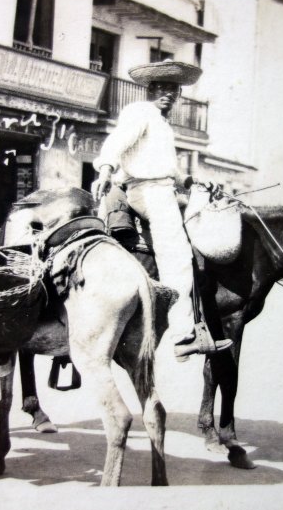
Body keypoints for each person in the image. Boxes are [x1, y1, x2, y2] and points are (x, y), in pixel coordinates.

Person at [91, 59, 231, 361]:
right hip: (149, 192)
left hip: (164, 188)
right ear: (150, 89)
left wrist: (189, 180)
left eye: (174, 89)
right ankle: (183, 336)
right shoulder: (140, 112)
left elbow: (169, 168)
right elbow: (117, 142)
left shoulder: (162, 124)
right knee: (178, 257)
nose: (168, 93)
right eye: (162, 87)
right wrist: (104, 170)